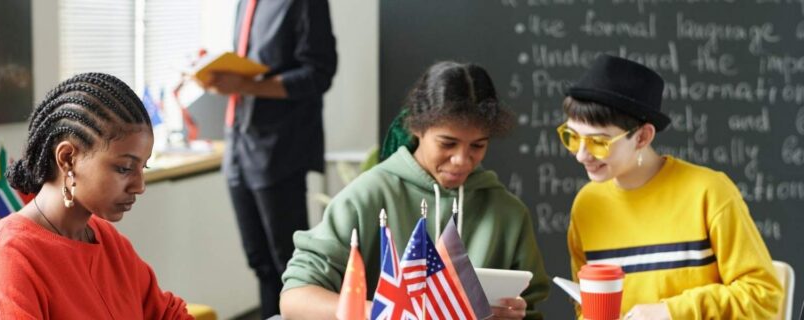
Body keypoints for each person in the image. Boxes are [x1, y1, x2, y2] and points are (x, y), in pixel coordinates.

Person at [280, 61, 550, 319]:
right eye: (447, 143)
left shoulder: (508, 213)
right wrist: (386, 313)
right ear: (417, 128)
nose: (462, 160)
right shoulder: (367, 196)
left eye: (477, 146)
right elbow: (295, 298)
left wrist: (514, 314)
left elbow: (532, 309)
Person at [0, 73, 193, 319]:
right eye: (124, 168)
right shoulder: (7, 257)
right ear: (67, 158)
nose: (139, 186)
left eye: (143, 167)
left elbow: (167, 315)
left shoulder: (108, 241)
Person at [561, 55, 784, 319]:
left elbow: (764, 296)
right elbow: (585, 306)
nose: (581, 155)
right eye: (572, 137)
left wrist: (671, 312)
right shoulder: (587, 205)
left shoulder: (709, 193)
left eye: (599, 142)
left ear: (643, 136)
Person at [196, 0, 337, 317]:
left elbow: (319, 75)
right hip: (238, 142)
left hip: (280, 149)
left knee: (291, 264)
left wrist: (245, 85)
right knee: (258, 261)